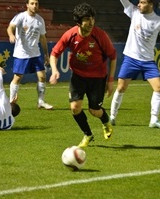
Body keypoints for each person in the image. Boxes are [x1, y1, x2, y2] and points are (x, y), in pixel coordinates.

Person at [49, 2, 117, 147]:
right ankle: (88, 135)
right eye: (87, 19)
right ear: (79, 22)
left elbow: (113, 56)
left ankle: (105, 121)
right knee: (75, 107)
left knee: (94, 110)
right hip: (78, 76)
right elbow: (54, 54)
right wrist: (55, 70)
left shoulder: (100, 36)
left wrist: (110, 80)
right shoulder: (70, 35)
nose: (91, 22)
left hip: (97, 78)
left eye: (92, 18)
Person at [110, 0, 160, 129]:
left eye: (142, 2)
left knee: (159, 88)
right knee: (121, 88)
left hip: (148, 61)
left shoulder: (159, 21)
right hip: (131, 58)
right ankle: (112, 116)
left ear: (151, 4)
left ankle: (154, 119)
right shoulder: (134, 13)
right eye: (139, 2)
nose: (139, 4)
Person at [6, 0, 53, 110]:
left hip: (35, 54)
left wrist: (46, 54)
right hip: (21, 53)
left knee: (42, 76)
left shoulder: (40, 20)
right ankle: (11, 102)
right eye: (32, 3)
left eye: (36, 3)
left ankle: (41, 102)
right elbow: (10, 27)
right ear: (27, 5)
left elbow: (43, 38)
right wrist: (11, 35)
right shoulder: (21, 17)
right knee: (17, 78)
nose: (34, 5)